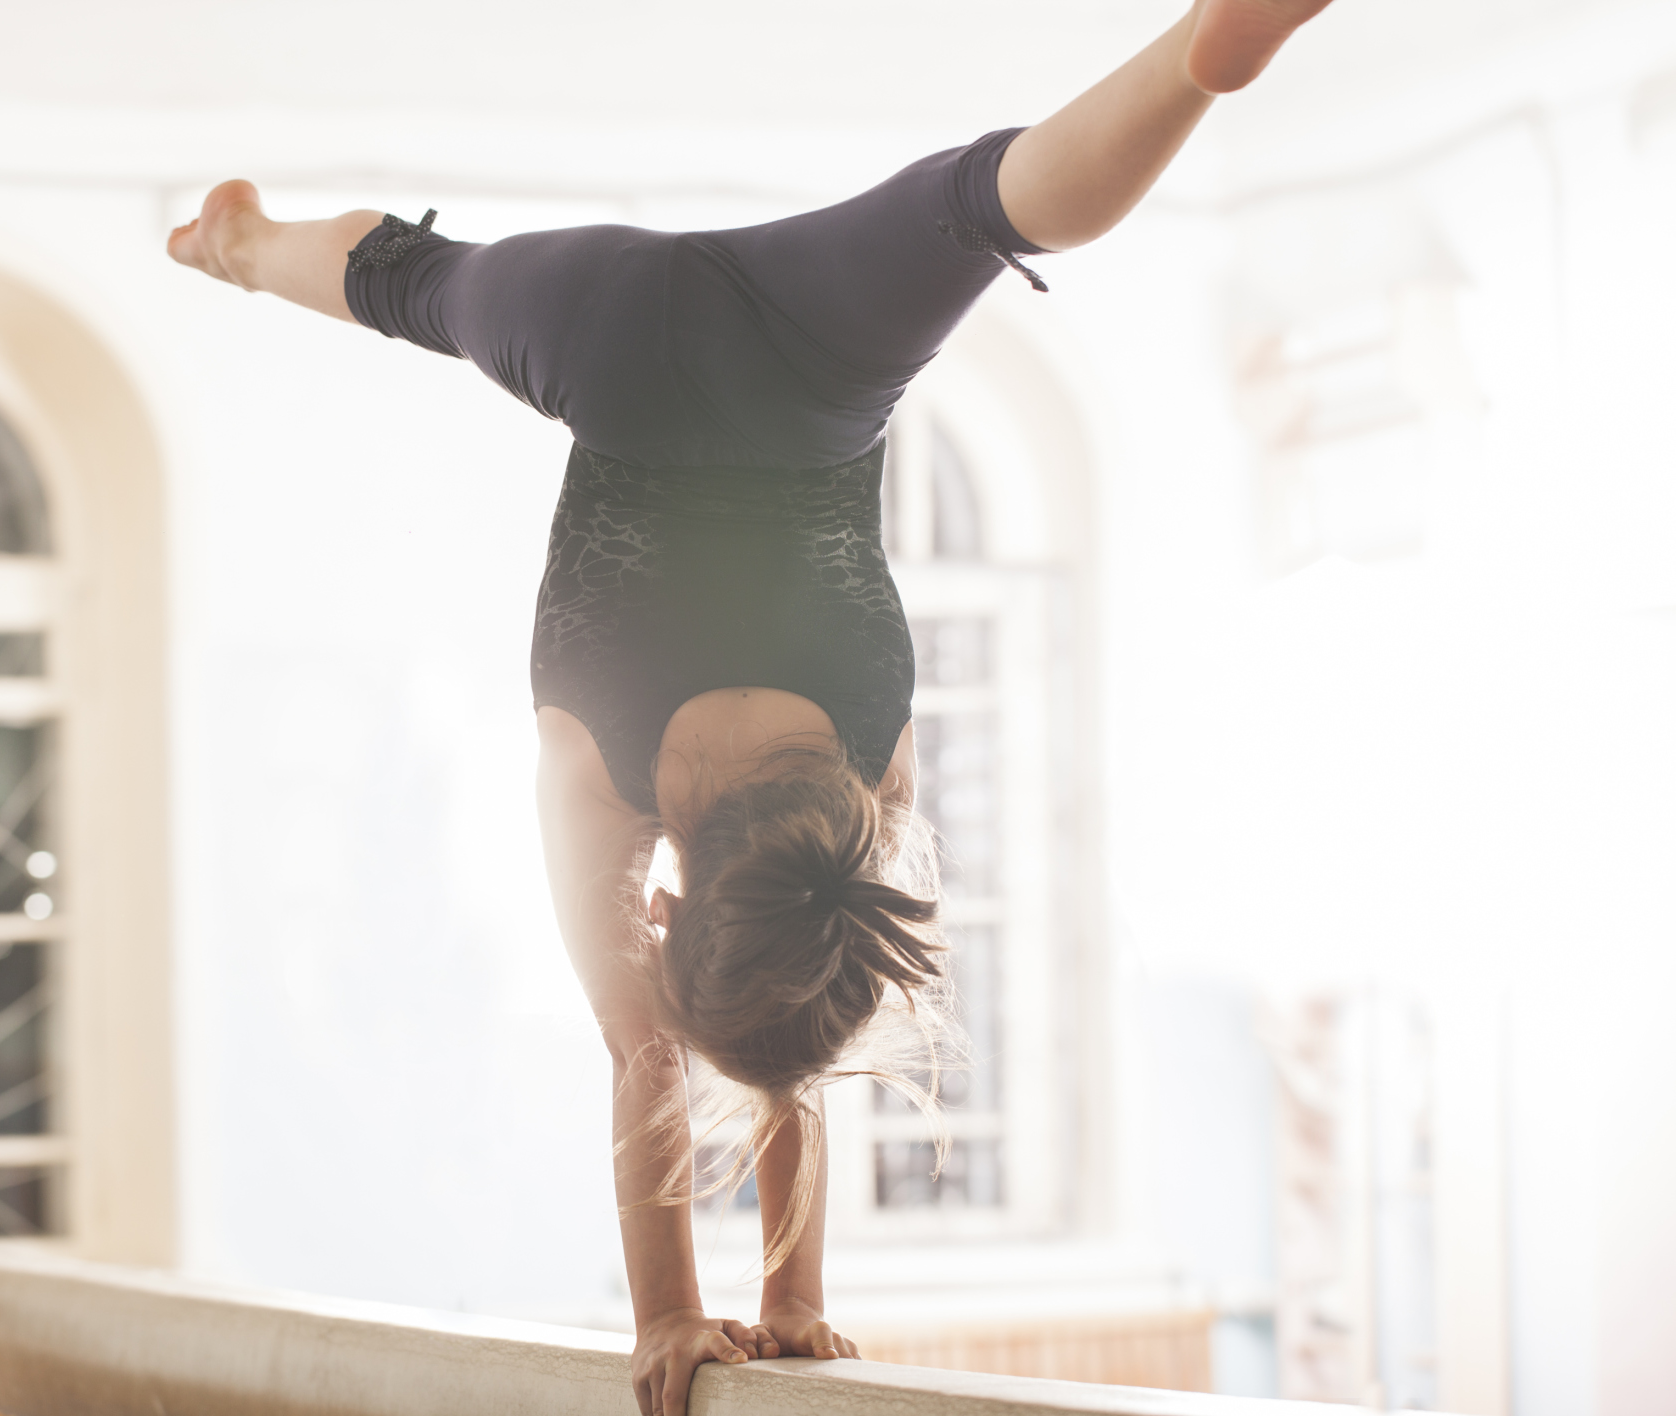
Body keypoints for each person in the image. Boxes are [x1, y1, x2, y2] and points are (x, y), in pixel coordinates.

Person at [169, 3, 1335, 1412]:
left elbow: (794, 1028)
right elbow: (643, 1055)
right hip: (602, 334)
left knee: (986, 202)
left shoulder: (865, 789)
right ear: (666, 912)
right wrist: (672, 1314)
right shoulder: (598, 776)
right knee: (416, 283)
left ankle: (1193, 56)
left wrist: (793, 1300)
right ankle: (240, 245)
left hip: (816, 358)